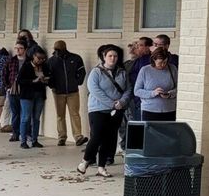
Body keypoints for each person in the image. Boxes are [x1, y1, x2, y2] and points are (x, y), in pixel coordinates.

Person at [80, 44, 132, 177]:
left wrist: (122, 102)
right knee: (97, 136)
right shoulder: (96, 72)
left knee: (109, 138)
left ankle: (101, 166)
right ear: (104, 57)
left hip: (117, 109)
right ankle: (86, 160)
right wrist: (111, 104)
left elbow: (128, 89)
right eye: (110, 56)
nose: (113, 58)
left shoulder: (122, 72)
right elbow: (95, 90)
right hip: (98, 108)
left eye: (115, 56)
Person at [48, 40, 88, 146]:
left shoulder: (75, 58)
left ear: (64, 48)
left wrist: (77, 82)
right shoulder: (52, 61)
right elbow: (48, 76)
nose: (57, 52)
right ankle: (62, 137)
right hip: (58, 92)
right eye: (55, 49)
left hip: (73, 91)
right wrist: (52, 86)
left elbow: (82, 71)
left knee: (75, 114)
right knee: (60, 115)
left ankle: (78, 137)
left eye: (59, 50)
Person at [134, 47, 178, 121]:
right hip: (149, 110)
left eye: (165, 62)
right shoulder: (145, 70)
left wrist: (169, 94)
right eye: (160, 63)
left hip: (169, 109)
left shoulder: (172, 68)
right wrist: (153, 93)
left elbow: (179, 88)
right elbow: (137, 91)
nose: (163, 65)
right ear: (154, 60)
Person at [17, 49, 50, 148]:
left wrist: (45, 80)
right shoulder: (27, 66)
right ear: (33, 56)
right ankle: (23, 141)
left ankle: (35, 140)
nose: (40, 60)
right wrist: (33, 81)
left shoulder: (44, 66)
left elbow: (49, 76)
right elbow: (19, 80)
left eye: (43, 59)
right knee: (25, 118)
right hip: (27, 95)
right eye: (38, 58)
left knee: (36, 118)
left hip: (39, 94)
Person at [123, 37, 153, 124]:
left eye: (140, 45)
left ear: (148, 47)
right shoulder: (137, 60)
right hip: (133, 98)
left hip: (141, 100)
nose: (137, 48)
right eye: (137, 45)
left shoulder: (148, 61)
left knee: (140, 127)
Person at [2, 41, 28, 141]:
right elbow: (4, 74)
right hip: (12, 90)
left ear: (25, 49)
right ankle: (15, 133)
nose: (17, 50)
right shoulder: (11, 61)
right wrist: (8, 86)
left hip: (25, 90)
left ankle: (25, 134)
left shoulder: (29, 61)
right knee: (15, 112)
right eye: (16, 48)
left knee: (25, 113)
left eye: (20, 48)